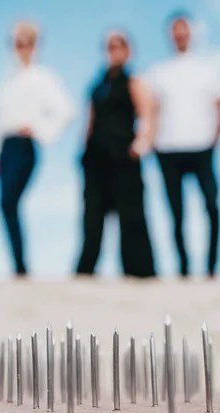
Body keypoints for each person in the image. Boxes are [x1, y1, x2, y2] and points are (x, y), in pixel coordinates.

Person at [145, 12, 220, 278]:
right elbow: (152, 111)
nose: (180, 34)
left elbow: (219, 108)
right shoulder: (158, 72)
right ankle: (184, 268)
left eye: (184, 29)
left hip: (202, 147)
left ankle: (212, 268)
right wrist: (152, 142)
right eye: (175, 30)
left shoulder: (208, 70)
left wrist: (215, 140)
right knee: (177, 214)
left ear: (191, 33)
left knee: (213, 207)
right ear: (170, 35)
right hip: (168, 149)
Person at [0, 22, 75, 277]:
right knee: (6, 205)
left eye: (27, 42)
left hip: (25, 146)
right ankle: (18, 266)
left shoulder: (44, 77)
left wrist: (39, 131)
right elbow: (0, 122)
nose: (22, 48)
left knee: (9, 201)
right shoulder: (7, 82)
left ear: (36, 45)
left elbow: (66, 111)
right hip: (6, 147)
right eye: (17, 42)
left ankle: (21, 267)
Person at [75, 31, 156, 278]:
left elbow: (148, 114)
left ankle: (138, 271)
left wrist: (141, 145)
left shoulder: (134, 82)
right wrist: (84, 152)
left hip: (124, 157)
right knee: (93, 217)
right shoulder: (97, 86)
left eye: (120, 45)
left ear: (128, 51)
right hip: (97, 159)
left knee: (131, 215)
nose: (115, 50)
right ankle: (86, 270)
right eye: (110, 46)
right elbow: (89, 121)